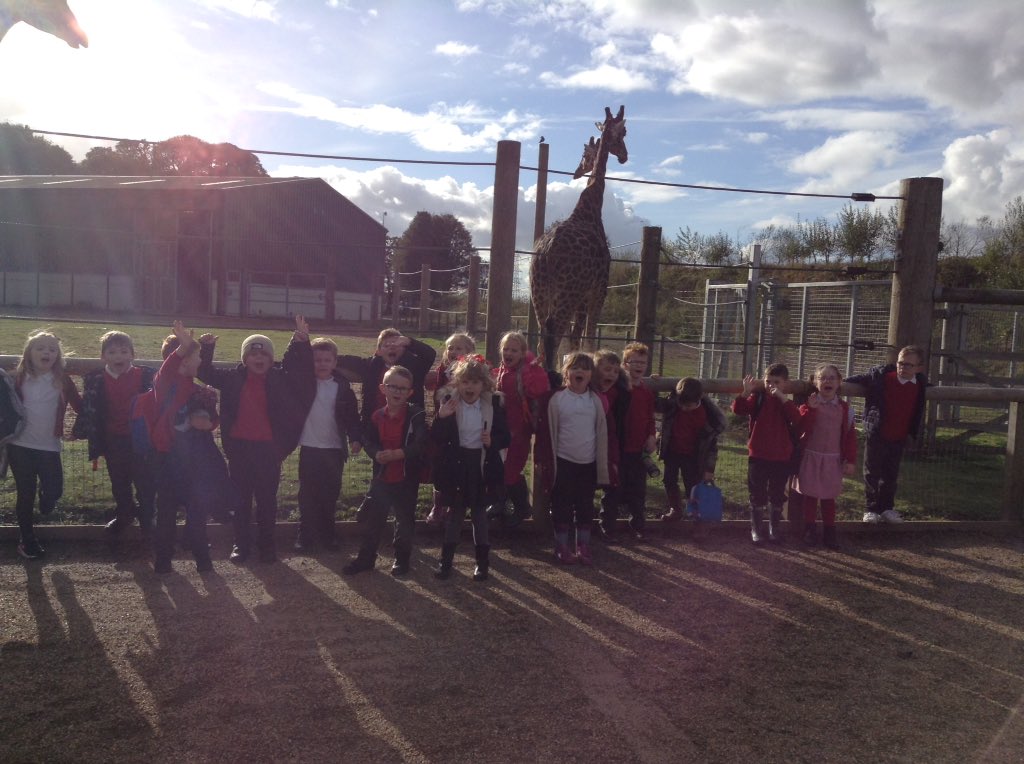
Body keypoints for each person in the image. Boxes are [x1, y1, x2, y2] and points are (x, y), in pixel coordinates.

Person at [197, 316, 313, 564]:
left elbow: (299, 367)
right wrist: (206, 348)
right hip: (239, 449)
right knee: (241, 500)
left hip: (269, 450)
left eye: (264, 355)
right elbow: (204, 372)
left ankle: (267, 545)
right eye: (252, 354)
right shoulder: (232, 378)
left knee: (267, 500)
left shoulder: (280, 378)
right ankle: (241, 544)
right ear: (244, 359)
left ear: (271, 360)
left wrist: (300, 341)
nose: (258, 359)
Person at [149, 322, 223, 573]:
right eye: (197, 356)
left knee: (197, 511)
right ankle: (163, 559)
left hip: (194, 461)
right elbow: (168, 368)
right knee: (166, 512)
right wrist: (183, 346)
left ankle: (203, 559)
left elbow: (212, 420)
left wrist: (208, 423)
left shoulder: (200, 391)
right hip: (168, 458)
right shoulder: (165, 385)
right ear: (184, 361)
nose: (201, 361)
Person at [342, 365, 428, 576]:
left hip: (406, 477)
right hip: (382, 475)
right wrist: (375, 453)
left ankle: (401, 559)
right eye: (392, 387)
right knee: (374, 520)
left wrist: (399, 454)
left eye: (403, 388)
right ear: (383, 388)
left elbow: (421, 443)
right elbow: (368, 440)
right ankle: (366, 558)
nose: (397, 391)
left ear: (410, 392)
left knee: (404, 520)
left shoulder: (416, 415)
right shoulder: (377, 416)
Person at [71, 330, 156, 540]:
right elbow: (89, 407)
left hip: (140, 439)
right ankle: (125, 513)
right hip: (113, 438)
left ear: (132, 354)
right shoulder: (96, 380)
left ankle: (147, 518)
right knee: (119, 481)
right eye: (112, 352)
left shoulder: (146, 376)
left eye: (124, 351)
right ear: (103, 356)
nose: (119, 356)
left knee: (144, 480)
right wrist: (81, 430)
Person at [431, 355, 510, 580]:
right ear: (457, 382)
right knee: (455, 515)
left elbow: (505, 437)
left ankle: (482, 564)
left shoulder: (493, 405)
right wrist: (441, 417)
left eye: (475, 382)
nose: (470, 387)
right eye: (465, 381)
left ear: (483, 384)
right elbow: (436, 437)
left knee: (479, 516)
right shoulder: (449, 402)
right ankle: (446, 563)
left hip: (481, 465)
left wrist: (492, 442)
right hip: (457, 466)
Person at [6, 331, 82, 560]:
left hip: (49, 446)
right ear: (29, 353)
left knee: (54, 490)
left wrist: (81, 429)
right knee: (25, 493)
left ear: (58, 355)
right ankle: (27, 540)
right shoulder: (17, 378)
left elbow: (81, 407)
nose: (46, 352)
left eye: (52, 349)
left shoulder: (62, 380)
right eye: (40, 348)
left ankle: (47, 499)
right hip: (20, 445)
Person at [534, 352, 609, 565]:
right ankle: (561, 545)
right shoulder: (556, 399)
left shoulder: (595, 401)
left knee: (585, 505)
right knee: (562, 505)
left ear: (591, 374)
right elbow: (544, 432)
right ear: (566, 372)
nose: (580, 371)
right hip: (563, 461)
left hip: (588, 462)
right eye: (575, 368)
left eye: (585, 368)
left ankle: (583, 545)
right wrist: (541, 458)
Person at [294, 336, 362, 553]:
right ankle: (305, 535)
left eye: (326, 360)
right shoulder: (303, 384)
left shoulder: (343, 388)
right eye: (317, 360)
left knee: (330, 494)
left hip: (333, 449)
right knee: (307, 494)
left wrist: (355, 437)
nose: (322, 364)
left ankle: (328, 534)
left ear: (334, 362)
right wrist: (300, 341)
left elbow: (352, 418)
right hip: (309, 447)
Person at [845, 345, 928, 525]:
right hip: (877, 433)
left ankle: (886, 508)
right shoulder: (882, 377)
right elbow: (861, 379)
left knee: (891, 474)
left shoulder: (920, 384)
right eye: (900, 363)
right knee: (872, 472)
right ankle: (871, 508)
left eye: (909, 365)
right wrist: (838, 382)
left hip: (899, 436)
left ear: (919, 368)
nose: (903, 367)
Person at [731, 363, 802, 543]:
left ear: (785, 383)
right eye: (768, 381)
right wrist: (745, 392)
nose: (771, 385)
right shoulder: (758, 397)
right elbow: (738, 409)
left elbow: (796, 418)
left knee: (777, 493)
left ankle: (774, 528)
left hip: (781, 456)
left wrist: (782, 397)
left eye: (776, 382)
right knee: (757, 492)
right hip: (758, 454)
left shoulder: (786, 402)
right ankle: (756, 529)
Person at [795, 364, 857, 549]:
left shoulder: (845, 409)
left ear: (839, 382)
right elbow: (801, 428)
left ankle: (830, 532)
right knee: (811, 495)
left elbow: (850, 436)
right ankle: (809, 530)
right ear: (815, 382)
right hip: (811, 457)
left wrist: (850, 460)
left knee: (829, 497)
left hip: (832, 459)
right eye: (822, 378)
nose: (827, 381)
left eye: (831, 378)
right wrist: (811, 409)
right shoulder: (809, 405)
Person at [491, 331, 549, 527]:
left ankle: (521, 507)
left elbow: (538, 390)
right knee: (499, 465)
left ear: (523, 353)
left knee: (512, 467)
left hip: (519, 429)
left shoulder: (526, 371)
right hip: (503, 428)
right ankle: (503, 504)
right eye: (506, 349)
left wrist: (530, 372)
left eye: (514, 350)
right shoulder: (502, 370)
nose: (508, 353)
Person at [658, 377, 727, 526]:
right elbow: (656, 404)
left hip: (692, 456)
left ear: (699, 399)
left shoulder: (708, 417)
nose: (684, 408)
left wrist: (709, 469)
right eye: (681, 404)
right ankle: (676, 509)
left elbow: (711, 447)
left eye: (688, 406)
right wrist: (655, 384)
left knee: (692, 486)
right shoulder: (674, 405)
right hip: (672, 452)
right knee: (669, 480)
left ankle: (698, 518)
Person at [336, 328, 436, 430]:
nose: (392, 348)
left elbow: (430, 355)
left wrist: (409, 341)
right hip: (376, 424)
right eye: (386, 345)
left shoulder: (414, 367)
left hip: (407, 426)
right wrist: (331, 358)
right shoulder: (372, 365)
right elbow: (350, 361)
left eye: (397, 345)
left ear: (405, 349)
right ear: (378, 351)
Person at [425, 332, 476, 526]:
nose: (453, 351)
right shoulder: (443, 370)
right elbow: (436, 392)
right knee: (440, 463)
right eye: (450, 348)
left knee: (459, 466)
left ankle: (454, 506)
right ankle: (438, 504)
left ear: (469, 351)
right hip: (445, 419)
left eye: (459, 348)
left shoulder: (474, 371)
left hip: (465, 423)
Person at [611, 342, 657, 541]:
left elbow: (650, 417)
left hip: (638, 449)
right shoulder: (618, 389)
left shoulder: (646, 392)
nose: (639, 366)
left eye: (643, 362)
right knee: (613, 489)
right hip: (618, 447)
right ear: (625, 364)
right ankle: (608, 526)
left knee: (638, 491)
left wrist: (652, 436)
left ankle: (637, 526)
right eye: (634, 362)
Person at [592, 348, 629, 542]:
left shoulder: (620, 394)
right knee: (585, 486)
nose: (612, 375)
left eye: (615, 371)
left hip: (612, 444)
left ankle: (607, 525)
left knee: (612, 485)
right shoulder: (587, 392)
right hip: (588, 445)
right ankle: (582, 524)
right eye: (607, 370)